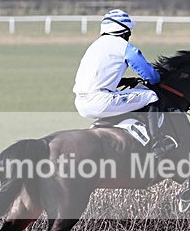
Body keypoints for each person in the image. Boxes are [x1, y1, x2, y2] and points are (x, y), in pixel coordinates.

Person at [73, 9, 176, 157]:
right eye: (129, 32)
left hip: (81, 103)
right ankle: (157, 143)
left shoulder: (94, 47)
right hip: (100, 102)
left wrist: (125, 80)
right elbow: (152, 77)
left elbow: (96, 77)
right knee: (151, 96)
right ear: (124, 32)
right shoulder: (126, 48)